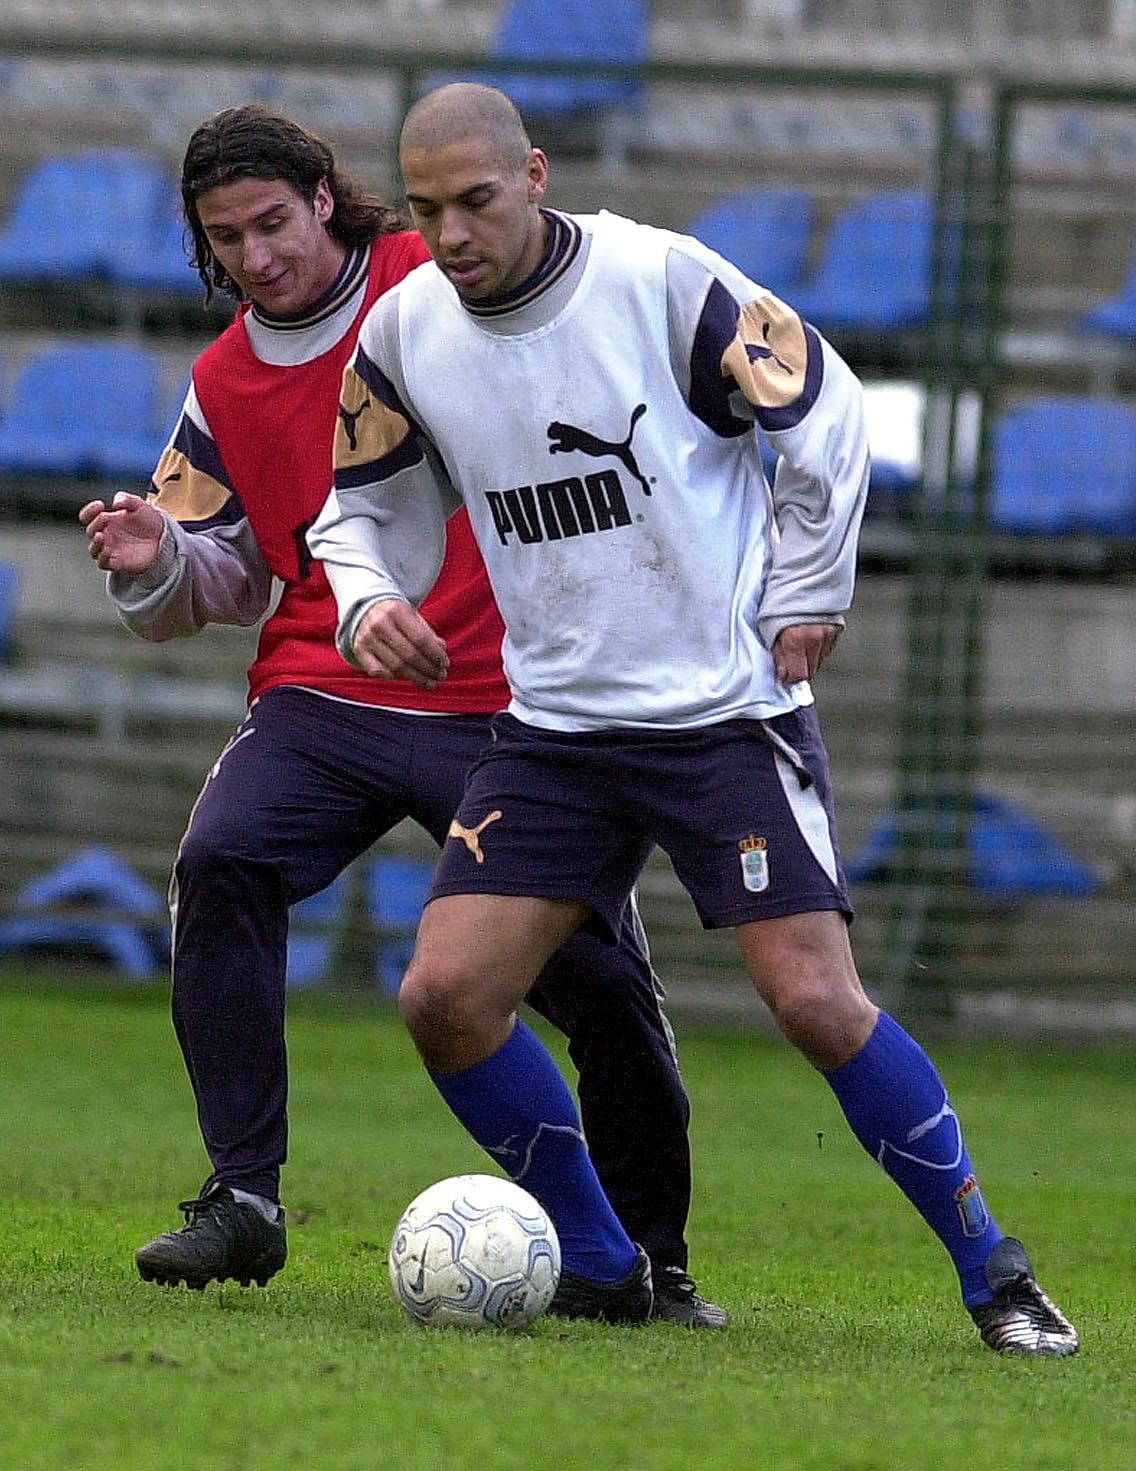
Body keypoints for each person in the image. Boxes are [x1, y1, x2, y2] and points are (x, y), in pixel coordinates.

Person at [308, 81, 1080, 1354]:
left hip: (724, 716)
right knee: (445, 997)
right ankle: (607, 1262)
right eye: (430, 207)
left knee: (814, 1003)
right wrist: (365, 599)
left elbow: (823, 406)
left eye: (478, 202)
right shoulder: (403, 331)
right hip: (555, 728)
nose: (452, 235)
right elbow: (359, 505)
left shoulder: (662, 283)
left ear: (537, 174)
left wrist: (808, 587)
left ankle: (994, 1271)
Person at [77, 104, 725, 1328]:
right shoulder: (221, 381)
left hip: (507, 699)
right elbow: (217, 584)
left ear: (325, 197)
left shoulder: (440, 285)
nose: (256, 258)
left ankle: (648, 1254)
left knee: (592, 980)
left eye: (272, 223)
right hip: (322, 692)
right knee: (220, 859)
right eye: (227, 242)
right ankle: (244, 1197)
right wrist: (153, 554)